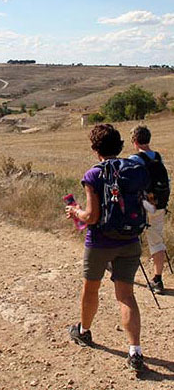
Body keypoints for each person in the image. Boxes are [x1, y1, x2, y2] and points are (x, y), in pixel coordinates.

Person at [66, 124, 145, 372]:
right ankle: (135, 351)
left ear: (95, 149)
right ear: (120, 146)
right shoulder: (133, 169)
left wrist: (74, 211)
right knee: (126, 295)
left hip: (99, 242)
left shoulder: (93, 175)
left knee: (91, 289)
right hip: (130, 241)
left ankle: (84, 331)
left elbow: (91, 216)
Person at [129, 125, 169, 295]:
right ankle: (158, 279)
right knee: (156, 242)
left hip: (142, 205)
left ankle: (121, 270)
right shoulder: (157, 157)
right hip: (158, 206)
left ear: (135, 141)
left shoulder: (134, 159)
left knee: (129, 237)